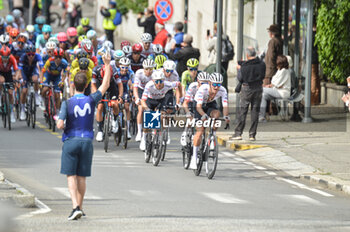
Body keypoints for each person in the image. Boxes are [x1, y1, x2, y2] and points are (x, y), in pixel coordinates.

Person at [57, 53, 112, 221]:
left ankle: (74, 207)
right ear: (87, 84)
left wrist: (66, 126)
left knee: (70, 176)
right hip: (87, 140)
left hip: (71, 140)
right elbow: (105, 84)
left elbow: (59, 124)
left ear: (73, 84)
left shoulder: (67, 102)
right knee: (82, 176)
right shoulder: (91, 99)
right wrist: (107, 64)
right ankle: (80, 207)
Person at [189, 73, 230, 169]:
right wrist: (204, 115)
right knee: (200, 131)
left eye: (219, 85)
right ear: (210, 83)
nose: (216, 87)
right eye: (214, 84)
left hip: (210, 104)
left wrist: (226, 117)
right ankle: (194, 157)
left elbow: (225, 106)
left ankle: (212, 136)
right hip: (199, 106)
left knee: (217, 114)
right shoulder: (203, 89)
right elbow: (198, 107)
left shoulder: (223, 90)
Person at [230, 47, 265, 141]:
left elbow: (240, 78)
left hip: (247, 88)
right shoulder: (262, 64)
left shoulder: (244, 67)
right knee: (255, 111)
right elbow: (263, 75)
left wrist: (239, 70)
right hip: (258, 88)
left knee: (243, 110)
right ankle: (252, 134)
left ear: (247, 55)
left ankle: (238, 133)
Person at [139, 71, 180, 151]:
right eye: (156, 81)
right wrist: (147, 109)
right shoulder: (149, 85)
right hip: (150, 100)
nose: (159, 83)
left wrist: (180, 100)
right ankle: (144, 138)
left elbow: (179, 85)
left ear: (163, 80)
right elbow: (143, 101)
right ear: (153, 81)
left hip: (161, 100)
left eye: (161, 81)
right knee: (148, 119)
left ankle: (163, 134)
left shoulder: (168, 84)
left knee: (163, 116)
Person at [259, 55, 291, 122]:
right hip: (278, 90)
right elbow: (275, 83)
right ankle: (262, 116)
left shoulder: (284, 71)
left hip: (282, 92)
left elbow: (276, 83)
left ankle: (260, 115)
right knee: (263, 95)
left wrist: (271, 85)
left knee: (261, 89)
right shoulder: (280, 70)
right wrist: (272, 85)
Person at [133, 59, 155, 141]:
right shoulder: (139, 73)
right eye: (146, 69)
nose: (149, 71)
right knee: (141, 109)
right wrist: (137, 98)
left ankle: (153, 130)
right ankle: (139, 132)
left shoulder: (155, 74)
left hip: (150, 91)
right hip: (141, 90)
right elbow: (135, 87)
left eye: (150, 69)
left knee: (153, 109)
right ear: (143, 68)